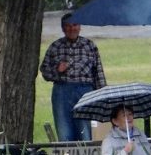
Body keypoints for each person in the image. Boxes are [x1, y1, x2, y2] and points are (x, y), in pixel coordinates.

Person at [39, 13, 106, 142]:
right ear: (63, 29)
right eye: (67, 26)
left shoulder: (89, 46)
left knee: (86, 132)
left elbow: (99, 73)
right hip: (62, 92)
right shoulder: (55, 47)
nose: (71, 29)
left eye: (74, 25)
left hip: (85, 91)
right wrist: (57, 71)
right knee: (65, 133)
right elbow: (44, 72)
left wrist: (102, 95)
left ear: (79, 26)